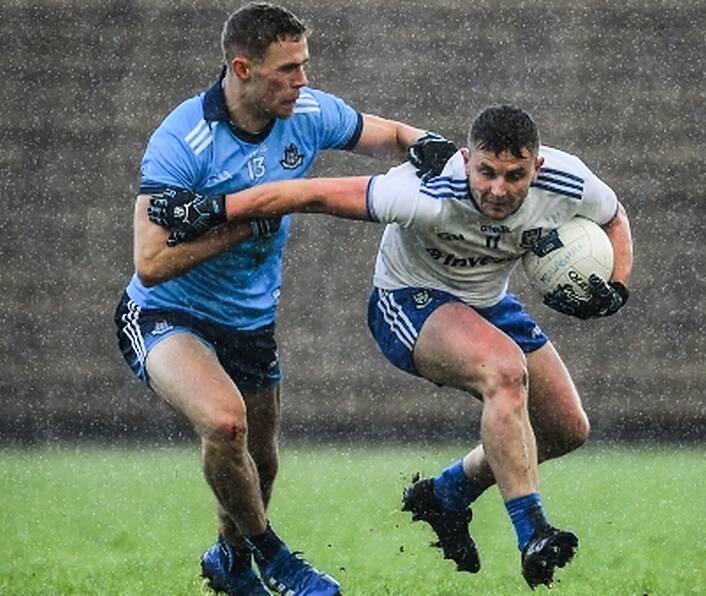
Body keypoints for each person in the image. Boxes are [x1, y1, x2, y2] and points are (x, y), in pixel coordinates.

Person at [147, 104, 634, 590]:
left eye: (515, 176)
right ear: (466, 160)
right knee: (504, 373)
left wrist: (617, 285)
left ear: (539, 168)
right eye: (486, 172)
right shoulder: (424, 191)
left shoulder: (568, 183)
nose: (498, 189)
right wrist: (214, 209)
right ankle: (533, 530)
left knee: (565, 427)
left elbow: (614, 217)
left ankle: (445, 494)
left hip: (488, 303)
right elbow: (311, 194)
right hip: (408, 302)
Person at [112, 3, 453, 595]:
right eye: (286, 70)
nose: (301, 80)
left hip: (250, 322)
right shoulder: (183, 139)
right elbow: (151, 260)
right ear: (241, 69)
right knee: (225, 423)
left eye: (304, 65)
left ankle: (231, 560)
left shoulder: (309, 111)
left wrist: (438, 151)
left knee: (261, 461)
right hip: (165, 311)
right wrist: (255, 217)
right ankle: (276, 558)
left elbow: (392, 137)